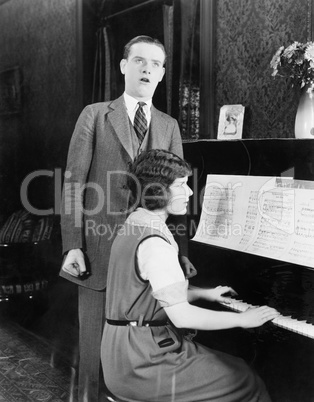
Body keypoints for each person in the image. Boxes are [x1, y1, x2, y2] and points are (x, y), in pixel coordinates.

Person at [60, 36, 195, 401]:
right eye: (139, 61)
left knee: (143, 351)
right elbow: (73, 184)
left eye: (155, 63)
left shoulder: (168, 126)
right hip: (98, 252)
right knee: (93, 352)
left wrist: (180, 252)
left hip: (148, 256)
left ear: (163, 73)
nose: (147, 68)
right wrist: (72, 245)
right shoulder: (95, 115)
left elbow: (177, 191)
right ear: (123, 66)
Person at [101, 149, 280, 402]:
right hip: (143, 361)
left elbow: (151, 293)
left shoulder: (134, 225)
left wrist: (205, 293)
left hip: (119, 351)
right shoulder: (155, 243)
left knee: (234, 366)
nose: (190, 193)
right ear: (158, 192)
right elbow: (182, 316)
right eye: (182, 185)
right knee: (244, 379)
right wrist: (243, 319)